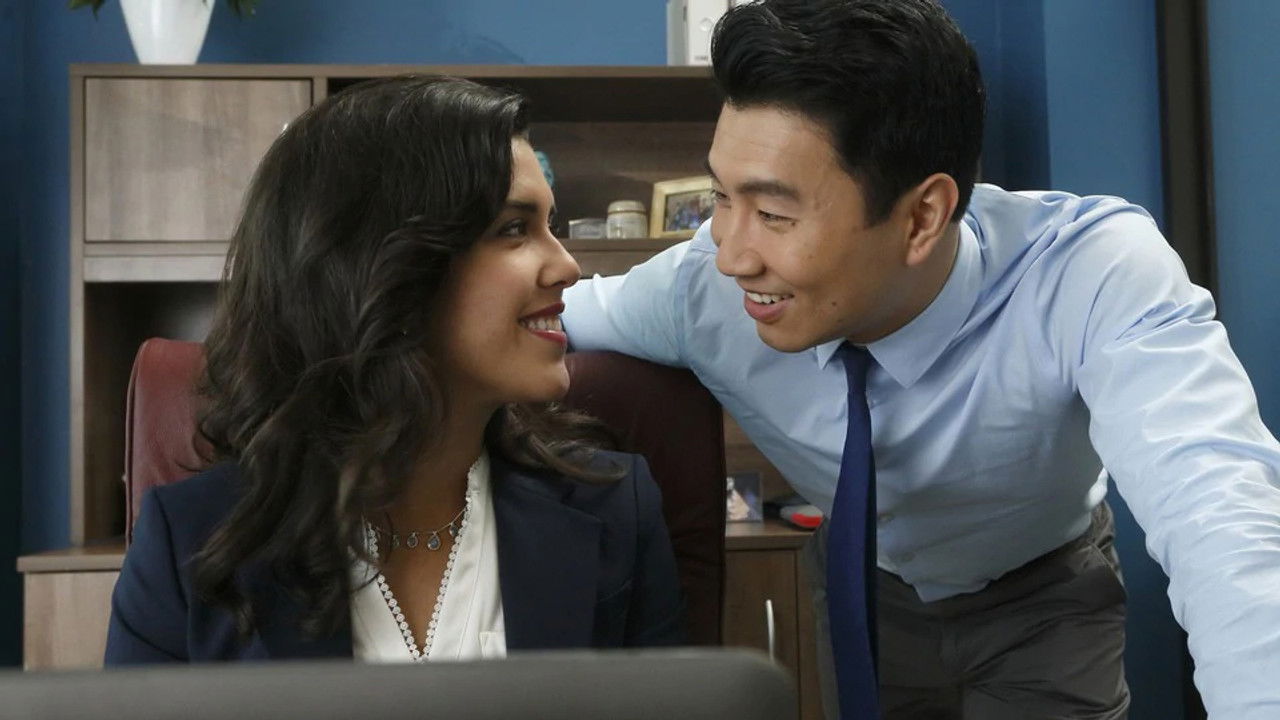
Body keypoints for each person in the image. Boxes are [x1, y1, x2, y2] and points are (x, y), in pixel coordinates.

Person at [562, 1, 1280, 718]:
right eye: (722, 196)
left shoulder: (1086, 273)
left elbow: (1220, 509)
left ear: (922, 217)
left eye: (774, 213)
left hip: (1044, 592)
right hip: (860, 582)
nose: (733, 255)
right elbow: (539, 320)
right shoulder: (700, 292)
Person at [105, 76, 685, 665]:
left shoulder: (615, 509)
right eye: (514, 228)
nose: (567, 266)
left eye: (551, 226)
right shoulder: (188, 542)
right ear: (381, 266)